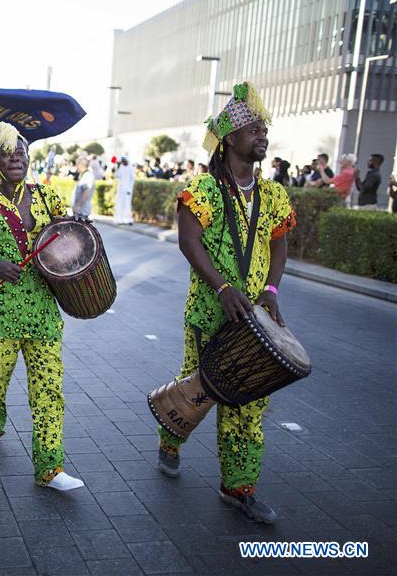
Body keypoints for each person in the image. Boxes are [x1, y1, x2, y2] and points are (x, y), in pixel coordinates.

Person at [158, 82, 296, 524]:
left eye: (264, 129)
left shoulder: (273, 194)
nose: (263, 135)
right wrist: (222, 287)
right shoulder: (203, 189)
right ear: (231, 139)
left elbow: (280, 245)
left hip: (254, 319)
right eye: (253, 128)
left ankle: (238, 489)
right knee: (196, 391)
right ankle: (170, 440)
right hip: (208, 314)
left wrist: (270, 292)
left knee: (246, 401)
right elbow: (188, 240)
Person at [0, 122, 84, 492]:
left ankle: (50, 468)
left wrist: (77, 224)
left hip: (44, 309)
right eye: (9, 152)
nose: (17, 158)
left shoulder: (46, 197)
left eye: (22, 152)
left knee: (49, 388)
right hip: (5, 310)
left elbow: (67, 233)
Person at [113, 156, 135, 224]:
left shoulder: (130, 168)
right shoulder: (121, 167)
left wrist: (129, 189)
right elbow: (116, 175)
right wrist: (116, 167)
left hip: (127, 190)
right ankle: (119, 219)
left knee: (127, 205)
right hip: (121, 190)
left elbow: (132, 180)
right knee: (120, 204)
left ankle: (128, 220)